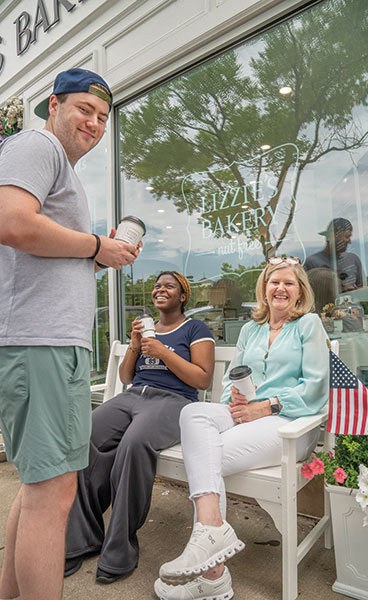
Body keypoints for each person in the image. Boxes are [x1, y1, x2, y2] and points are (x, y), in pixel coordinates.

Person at [0, 68, 140, 600]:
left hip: (52, 344)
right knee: (52, 496)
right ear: (53, 105)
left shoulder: (61, 169)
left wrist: (96, 256)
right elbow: (10, 221)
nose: (95, 123)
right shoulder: (36, 144)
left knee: (39, 489)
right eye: (85, 109)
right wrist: (93, 246)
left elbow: (44, 246)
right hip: (41, 342)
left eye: (103, 117)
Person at [155, 257, 329, 600]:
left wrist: (265, 406)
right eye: (273, 282)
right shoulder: (251, 330)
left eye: (288, 283)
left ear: (299, 292)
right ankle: (213, 535)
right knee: (194, 413)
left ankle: (213, 576)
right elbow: (226, 384)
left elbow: (316, 390)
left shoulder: (308, 325)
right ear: (264, 289)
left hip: (289, 422)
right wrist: (234, 400)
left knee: (206, 457)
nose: (280, 288)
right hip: (244, 414)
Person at [64, 271, 215, 584]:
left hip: (174, 402)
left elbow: (202, 379)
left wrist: (163, 352)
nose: (161, 288)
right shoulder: (147, 330)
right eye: (157, 285)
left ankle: (119, 547)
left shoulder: (195, 328)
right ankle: (84, 538)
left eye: (169, 286)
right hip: (133, 396)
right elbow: (126, 377)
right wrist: (135, 344)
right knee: (85, 435)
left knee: (133, 444)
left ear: (183, 296)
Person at [304, 218, 364, 292]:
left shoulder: (354, 259)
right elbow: (306, 293)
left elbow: (364, 288)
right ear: (332, 237)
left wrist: (354, 292)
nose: (349, 241)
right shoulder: (311, 262)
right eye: (347, 237)